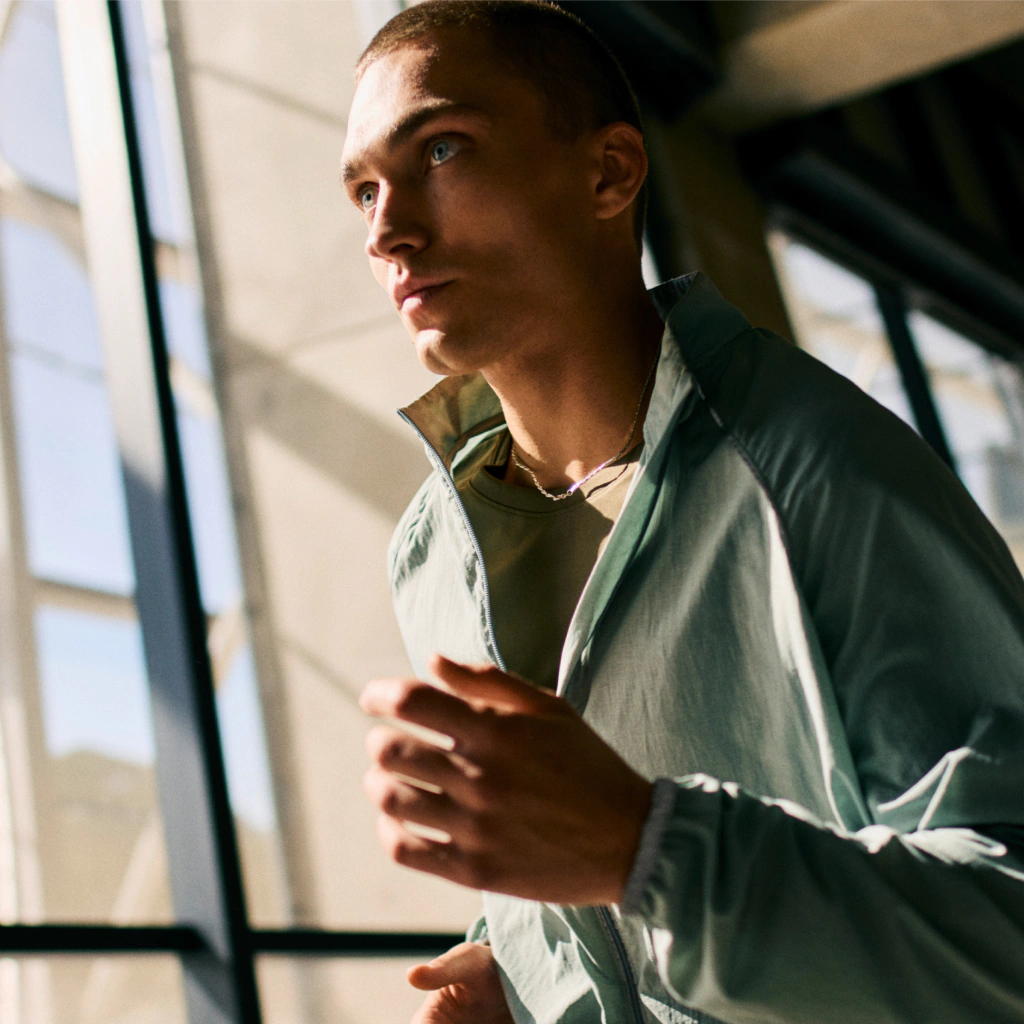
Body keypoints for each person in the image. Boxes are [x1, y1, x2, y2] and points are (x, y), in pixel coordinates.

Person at [342, 1, 1024, 1021]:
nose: (387, 230)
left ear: (609, 173)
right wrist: (522, 980)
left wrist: (646, 848)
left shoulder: (822, 471)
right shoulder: (431, 550)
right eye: (362, 189)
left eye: (441, 148)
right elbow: (595, 887)